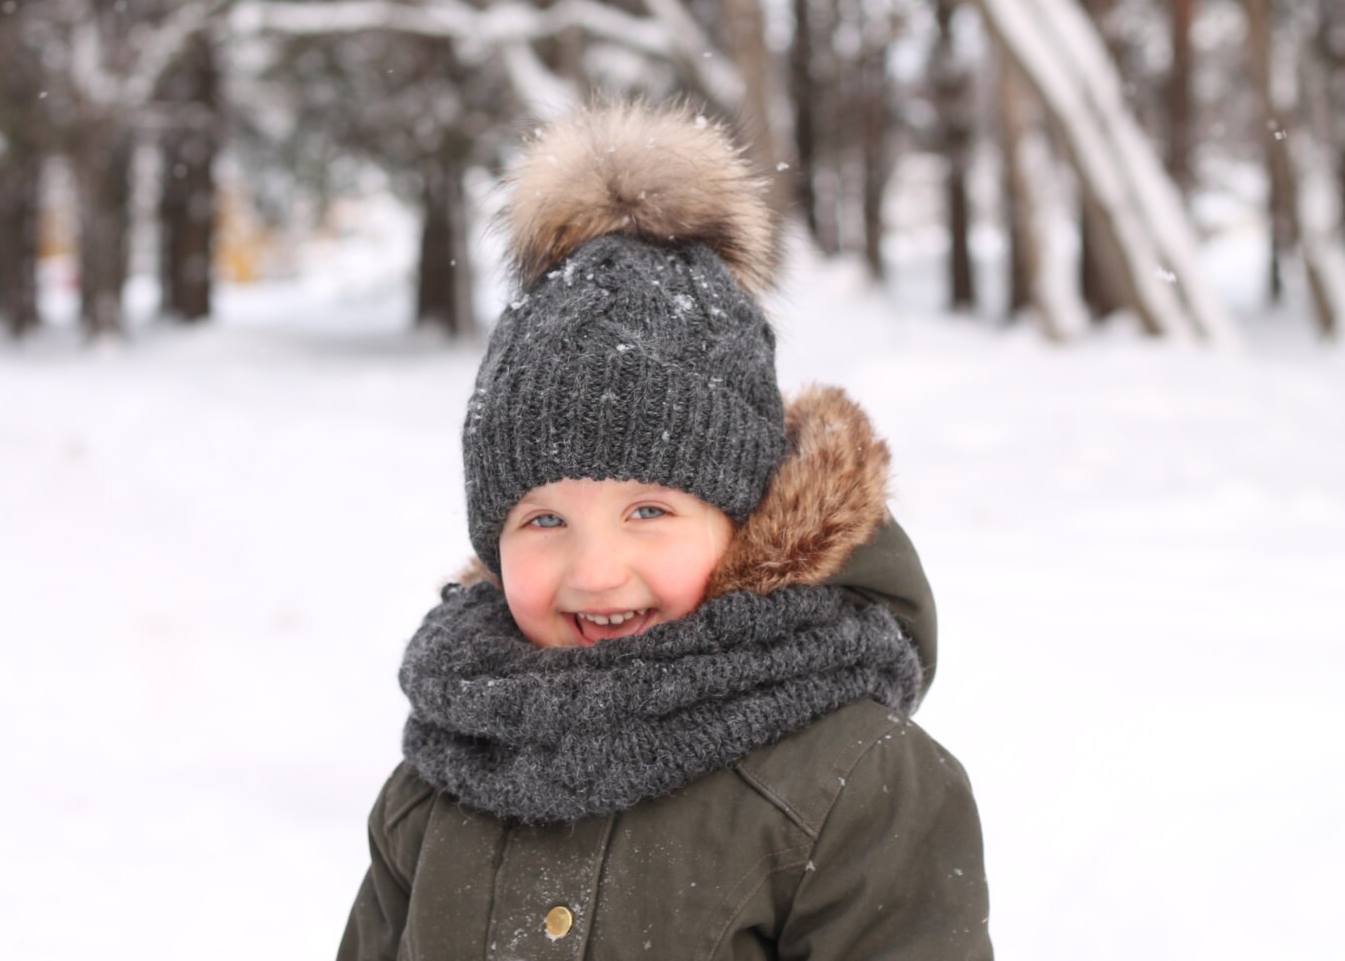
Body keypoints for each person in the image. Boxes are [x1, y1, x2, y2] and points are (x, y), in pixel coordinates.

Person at [338, 100, 992, 960]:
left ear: (745, 522)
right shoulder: (445, 773)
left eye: (649, 512)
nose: (597, 570)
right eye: (544, 519)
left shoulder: (857, 783)